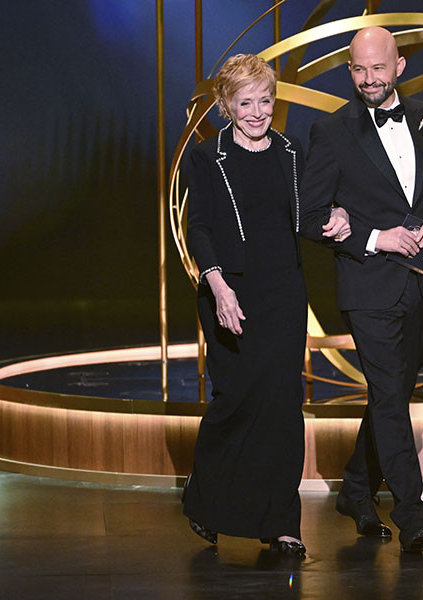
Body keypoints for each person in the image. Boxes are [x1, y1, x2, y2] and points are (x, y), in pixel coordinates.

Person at [300, 26, 423, 553]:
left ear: (399, 67)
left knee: (390, 394)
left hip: (421, 285)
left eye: (377, 68)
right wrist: (374, 236)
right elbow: (307, 214)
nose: (368, 79)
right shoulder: (331, 132)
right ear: (349, 70)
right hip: (367, 286)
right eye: (358, 69)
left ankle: (354, 488)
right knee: (393, 401)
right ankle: (412, 516)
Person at [181, 54, 350, 556]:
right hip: (227, 291)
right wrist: (217, 285)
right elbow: (200, 228)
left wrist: (338, 216)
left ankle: (282, 521)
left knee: (281, 404)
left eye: (266, 100)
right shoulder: (207, 158)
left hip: (282, 294)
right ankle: (206, 503)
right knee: (234, 402)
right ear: (225, 105)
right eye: (246, 102)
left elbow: (308, 216)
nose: (258, 112)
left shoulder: (293, 152)